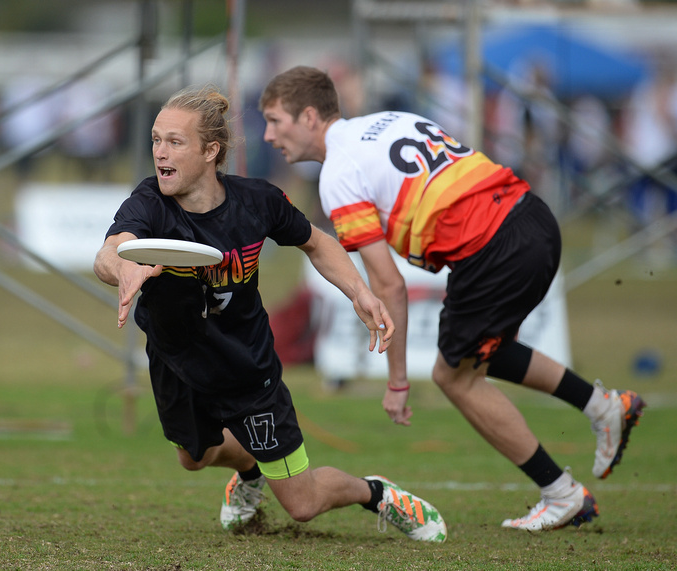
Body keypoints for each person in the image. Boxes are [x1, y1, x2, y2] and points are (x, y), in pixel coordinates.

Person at [258, 65, 647, 532]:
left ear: (308, 117)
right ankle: (603, 406)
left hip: (490, 248)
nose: (266, 135)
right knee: (482, 352)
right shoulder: (390, 120)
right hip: (532, 218)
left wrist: (397, 380)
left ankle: (561, 494)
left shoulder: (338, 175)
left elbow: (388, 286)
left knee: (453, 375)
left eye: (275, 121)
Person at [93, 85, 448, 542]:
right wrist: (123, 267)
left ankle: (375, 493)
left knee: (303, 505)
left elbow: (316, 242)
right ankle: (250, 471)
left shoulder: (257, 201)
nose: (161, 151)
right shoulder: (148, 203)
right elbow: (112, 249)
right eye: (157, 140)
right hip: (176, 363)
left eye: (175, 142)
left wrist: (359, 290)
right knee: (193, 457)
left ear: (210, 151)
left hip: (247, 371)